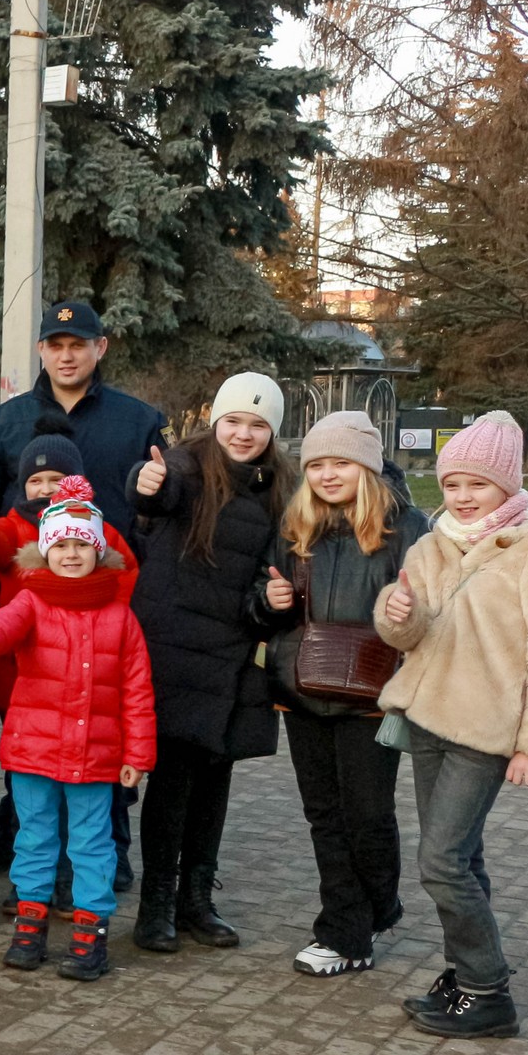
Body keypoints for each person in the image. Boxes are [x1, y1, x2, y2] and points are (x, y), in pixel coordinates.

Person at [374, 412, 528, 1038]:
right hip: (426, 721)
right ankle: (463, 973)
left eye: (478, 484)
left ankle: (486, 989)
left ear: (506, 484)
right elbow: (406, 636)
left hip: (488, 730)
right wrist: (395, 614)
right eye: (453, 485)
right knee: (461, 857)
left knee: (439, 862)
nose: (464, 498)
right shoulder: (430, 542)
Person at [0, 480, 156, 980]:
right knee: (34, 839)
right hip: (33, 751)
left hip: (96, 756)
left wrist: (138, 754)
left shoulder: (120, 616)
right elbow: (0, 627)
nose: (69, 554)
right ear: (45, 551)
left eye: (80, 545)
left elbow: (137, 689)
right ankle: (30, 924)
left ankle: (90, 934)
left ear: (98, 551)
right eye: (60, 545)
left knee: (91, 843)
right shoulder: (31, 601)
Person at [251, 413, 430, 977]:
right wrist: (269, 600)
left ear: (368, 467)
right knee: (324, 815)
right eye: (318, 465)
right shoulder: (294, 527)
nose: (328, 475)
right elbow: (262, 605)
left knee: (369, 815)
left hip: (372, 695)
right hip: (302, 689)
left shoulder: (409, 529)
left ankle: (375, 905)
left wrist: (413, 613)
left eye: (342, 463)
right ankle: (345, 932)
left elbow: (435, 613)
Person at [126, 372, 295, 954]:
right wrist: (145, 484)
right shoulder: (186, 466)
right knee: (172, 782)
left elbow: (269, 574)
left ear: (272, 432)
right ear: (214, 422)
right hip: (174, 649)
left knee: (214, 783)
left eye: (257, 425)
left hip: (234, 651)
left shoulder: (280, 487)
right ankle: (156, 907)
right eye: (233, 422)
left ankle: (196, 900)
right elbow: (154, 494)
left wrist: (268, 607)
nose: (243, 434)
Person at [0, 418, 140, 901]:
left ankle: (90, 869)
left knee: (89, 788)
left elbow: (123, 577)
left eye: (54, 480)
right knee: (29, 781)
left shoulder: (101, 533)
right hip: (27, 682)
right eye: (33, 481)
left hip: (88, 678)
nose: (42, 488)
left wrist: (104, 625)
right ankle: (31, 874)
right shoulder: (14, 526)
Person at [0, 300, 169, 544]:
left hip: (116, 573)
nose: (66, 357)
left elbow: (166, 507)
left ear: (100, 347)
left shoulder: (141, 421)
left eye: (77, 345)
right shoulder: (3, 421)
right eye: (55, 346)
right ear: (41, 349)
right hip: (24, 576)